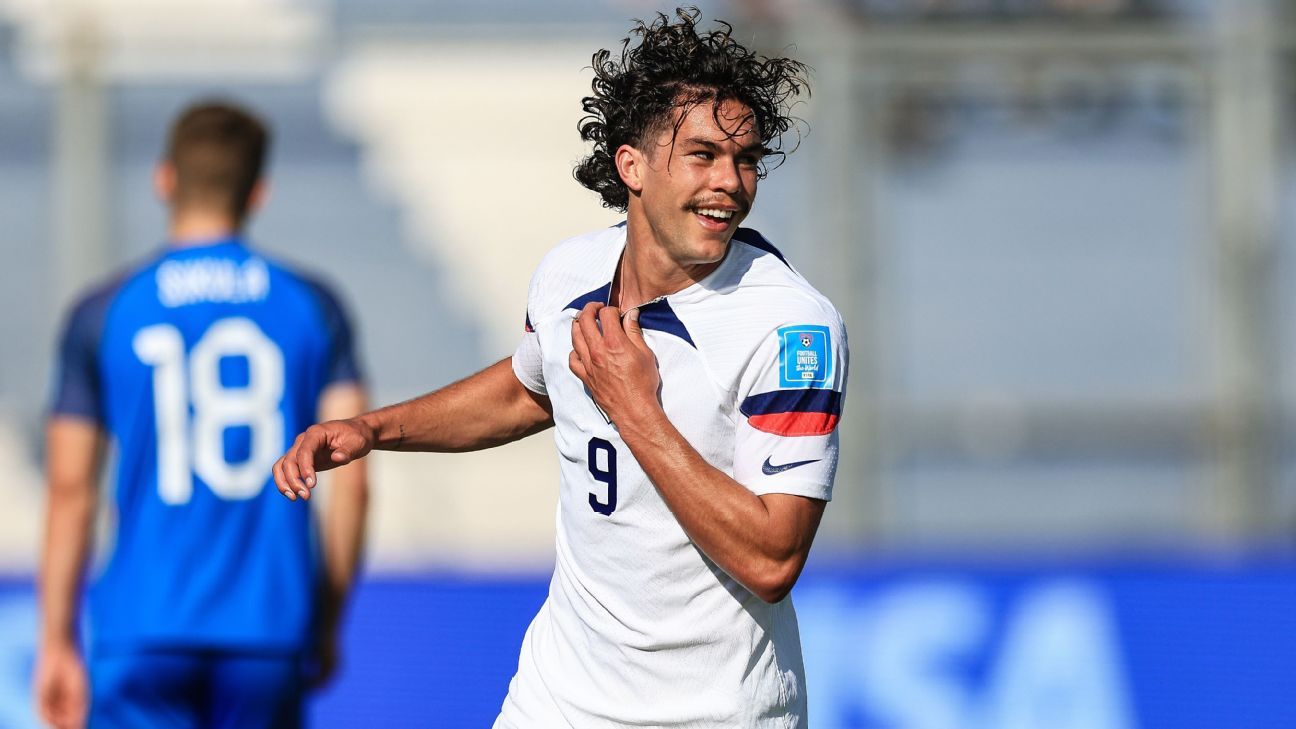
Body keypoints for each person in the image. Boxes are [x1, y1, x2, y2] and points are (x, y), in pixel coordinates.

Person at [275, 8, 846, 727]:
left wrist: (636, 409)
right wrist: (371, 427)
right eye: (703, 155)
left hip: (717, 713)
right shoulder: (568, 272)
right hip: (559, 701)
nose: (730, 182)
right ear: (630, 165)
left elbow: (772, 559)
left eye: (746, 159)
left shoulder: (792, 327)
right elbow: (526, 390)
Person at [34, 100, 369, 729]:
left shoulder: (104, 311)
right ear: (259, 191)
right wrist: (325, 621)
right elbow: (352, 480)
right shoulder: (314, 306)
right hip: (267, 627)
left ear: (165, 179)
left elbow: (70, 490)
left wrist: (57, 642)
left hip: (143, 623)